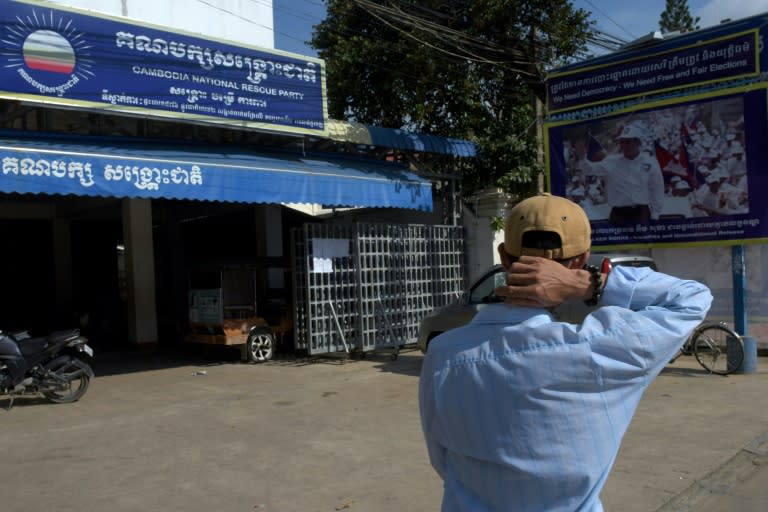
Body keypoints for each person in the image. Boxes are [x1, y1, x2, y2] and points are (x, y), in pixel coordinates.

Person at [419, 193, 712, 512]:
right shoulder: (604, 347)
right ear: (581, 259)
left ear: (503, 258)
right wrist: (589, 284)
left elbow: (442, 461)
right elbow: (691, 299)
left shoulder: (444, 353)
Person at [577, 122, 665, 224]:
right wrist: (583, 158)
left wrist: (655, 215)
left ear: (637, 143)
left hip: (642, 212)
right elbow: (589, 169)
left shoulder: (650, 162)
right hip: (618, 214)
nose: (624, 146)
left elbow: (657, 189)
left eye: (628, 142)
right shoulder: (611, 161)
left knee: (643, 240)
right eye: (622, 142)